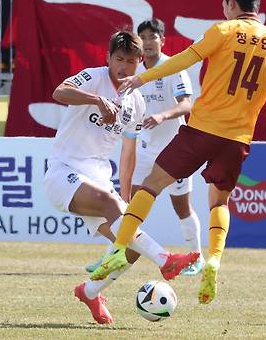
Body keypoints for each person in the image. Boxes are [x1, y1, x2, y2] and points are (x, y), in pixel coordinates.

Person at [90, 0, 266, 305]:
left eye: (224, 4)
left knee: (152, 184)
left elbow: (183, 59)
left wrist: (142, 78)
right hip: (237, 137)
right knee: (220, 203)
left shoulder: (223, 31)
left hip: (201, 129)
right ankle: (213, 260)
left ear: (230, 3)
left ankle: (120, 248)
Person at [45, 31, 199, 324]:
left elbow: (128, 154)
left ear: (140, 62)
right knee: (108, 204)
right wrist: (97, 100)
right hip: (63, 171)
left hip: (99, 178)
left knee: (130, 249)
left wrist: (126, 200)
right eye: (119, 59)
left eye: (131, 61)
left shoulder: (137, 101)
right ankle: (166, 260)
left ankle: (90, 292)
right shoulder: (93, 77)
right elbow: (59, 92)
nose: (124, 66)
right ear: (108, 58)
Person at [84, 19, 203, 277]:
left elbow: (187, 105)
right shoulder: (134, 73)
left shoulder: (173, 68)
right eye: (143, 37)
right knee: (126, 205)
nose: (148, 42)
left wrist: (162, 116)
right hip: (146, 150)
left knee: (181, 207)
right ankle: (110, 256)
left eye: (153, 37)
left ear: (163, 40)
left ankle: (197, 258)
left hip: (175, 149)